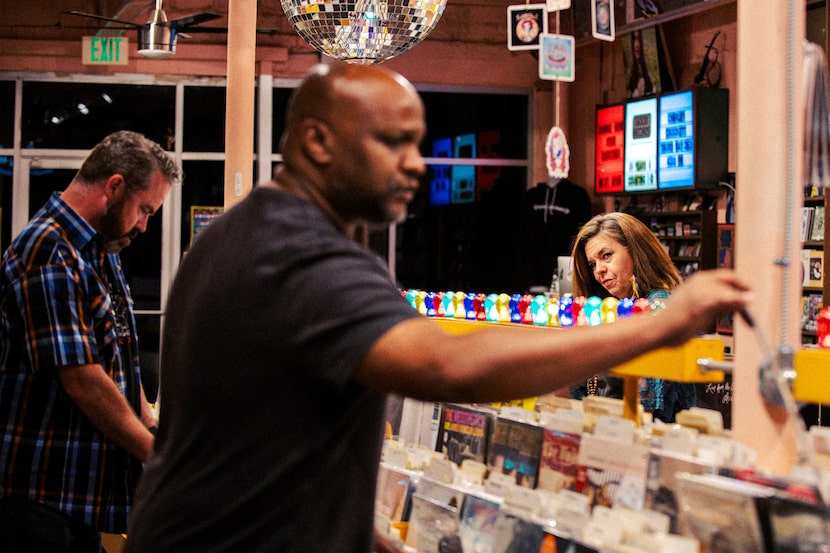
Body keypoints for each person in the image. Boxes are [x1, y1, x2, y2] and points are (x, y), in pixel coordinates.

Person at [124, 63, 750, 553]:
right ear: (316, 141)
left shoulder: (243, 233)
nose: (417, 163)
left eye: (417, 142)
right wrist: (661, 323)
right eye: (393, 142)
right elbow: (450, 366)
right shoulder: (300, 256)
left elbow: (262, 446)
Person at [0, 130, 181, 551]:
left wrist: (153, 427)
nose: (143, 225)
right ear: (114, 186)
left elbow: (118, 359)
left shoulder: (100, 253)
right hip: (36, 495)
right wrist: (158, 457)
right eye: (144, 210)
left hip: (77, 496)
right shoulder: (48, 249)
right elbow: (83, 378)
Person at [569, 212, 696, 422]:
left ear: (636, 253)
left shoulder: (659, 305)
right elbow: (583, 389)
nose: (599, 270)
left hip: (648, 442)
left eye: (607, 256)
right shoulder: (609, 308)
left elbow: (646, 410)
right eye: (592, 264)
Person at [627, 29, 655, 98]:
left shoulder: (649, 69)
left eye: (638, 38)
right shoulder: (630, 73)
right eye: (635, 38)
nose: (637, 44)